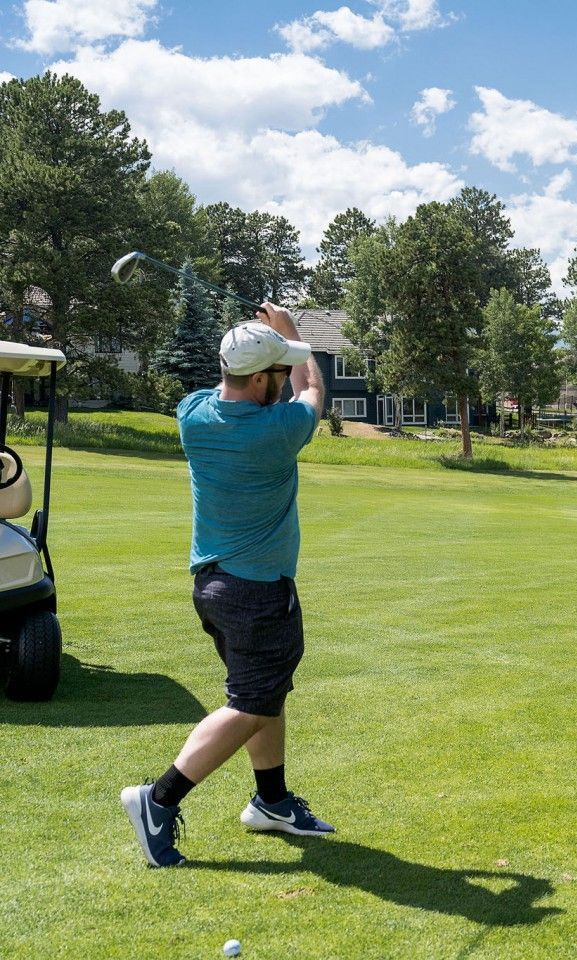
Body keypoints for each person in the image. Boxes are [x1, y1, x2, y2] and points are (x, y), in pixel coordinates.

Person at [121, 304, 333, 868]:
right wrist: (290, 334)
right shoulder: (278, 430)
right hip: (258, 592)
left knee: (265, 694)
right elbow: (312, 389)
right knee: (251, 703)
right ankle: (158, 799)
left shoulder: (192, 414)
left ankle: (272, 802)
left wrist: (258, 343)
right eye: (274, 373)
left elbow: (240, 384)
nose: (283, 380)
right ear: (260, 379)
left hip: (212, 587)